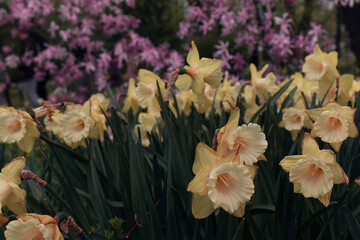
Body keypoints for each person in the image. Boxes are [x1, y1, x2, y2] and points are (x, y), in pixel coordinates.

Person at [14, 29, 46, 107]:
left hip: (30, 73)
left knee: (32, 93)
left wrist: (22, 68)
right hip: (34, 71)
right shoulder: (30, 42)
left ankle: (40, 109)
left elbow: (27, 59)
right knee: (34, 92)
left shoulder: (27, 44)